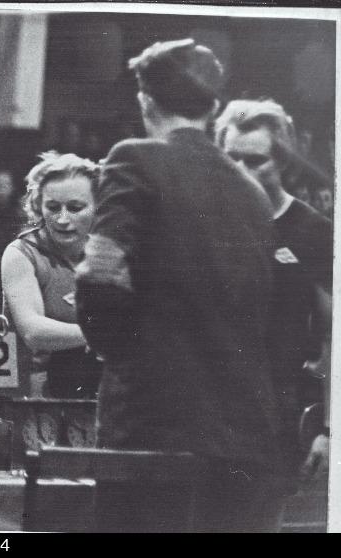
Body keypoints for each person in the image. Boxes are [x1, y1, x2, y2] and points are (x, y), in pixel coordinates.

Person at [74, 39, 284, 532]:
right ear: (213, 107)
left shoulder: (135, 158)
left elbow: (99, 274)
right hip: (243, 436)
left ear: (144, 101)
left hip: (151, 426)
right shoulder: (254, 192)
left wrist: (119, 351)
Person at [215, 98, 332, 483]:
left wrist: (330, 429)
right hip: (213, 410)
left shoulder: (312, 230)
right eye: (231, 157)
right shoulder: (205, 225)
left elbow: (336, 335)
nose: (240, 170)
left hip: (283, 411)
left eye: (255, 160)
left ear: (281, 161)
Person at [1, 152, 101, 399]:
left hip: (90, 391)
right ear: (38, 206)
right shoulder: (20, 254)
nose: (63, 219)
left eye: (76, 208)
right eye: (53, 207)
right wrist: (101, 334)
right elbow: (33, 333)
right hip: (29, 397)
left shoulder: (105, 255)